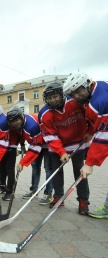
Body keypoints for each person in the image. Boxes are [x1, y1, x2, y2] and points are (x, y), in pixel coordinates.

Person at [39, 80, 93, 215]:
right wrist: (61, 152)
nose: (53, 100)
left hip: (77, 141)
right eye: (50, 97)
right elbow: (50, 136)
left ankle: (83, 200)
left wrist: (90, 131)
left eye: (55, 96)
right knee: (56, 171)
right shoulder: (44, 113)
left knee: (80, 172)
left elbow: (90, 116)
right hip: (57, 145)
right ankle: (58, 196)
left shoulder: (75, 102)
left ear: (62, 94)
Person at [63, 72, 108, 218]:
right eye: (72, 93)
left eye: (78, 91)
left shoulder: (100, 101)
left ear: (87, 83)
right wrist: (90, 131)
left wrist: (89, 163)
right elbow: (98, 125)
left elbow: (103, 136)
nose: (76, 96)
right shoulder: (97, 88)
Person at [6, 106, 53, 204]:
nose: (15, 123)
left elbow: (36, 147)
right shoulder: (19, 124)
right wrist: (22, 144)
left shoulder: (31, 126)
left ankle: (49, 193)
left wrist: (22, 163)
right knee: (35, 167)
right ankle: (33, 190)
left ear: (21, 117)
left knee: (48, 168)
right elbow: (22, 134)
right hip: (36, 142)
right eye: (12, 121)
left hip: (48, 143)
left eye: (17, 120)